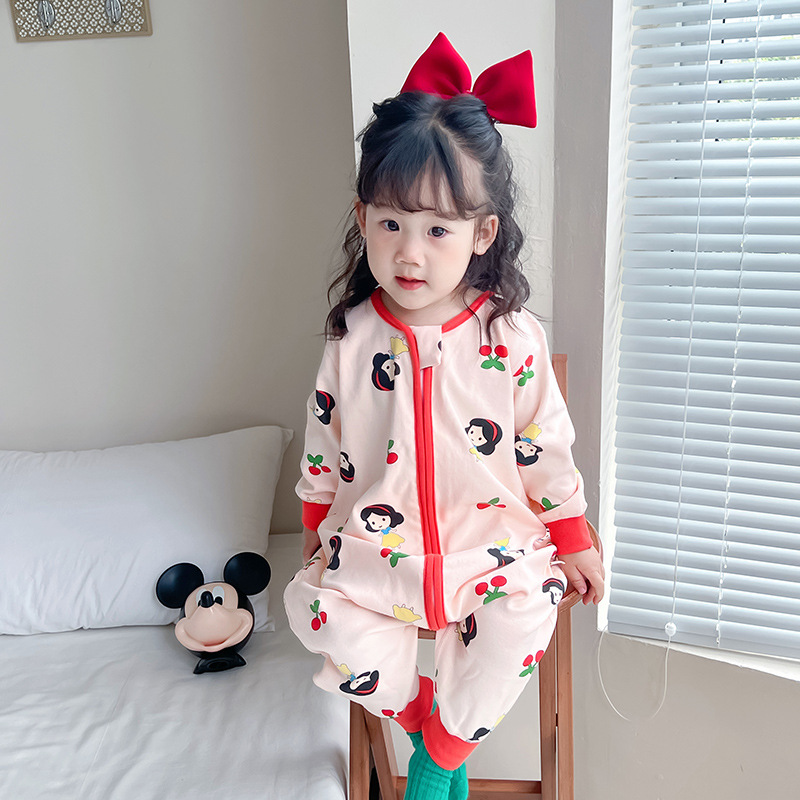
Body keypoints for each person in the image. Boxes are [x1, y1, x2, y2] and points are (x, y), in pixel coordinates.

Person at [284, 32, 605, 800]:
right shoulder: (353, 336)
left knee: (529, 615)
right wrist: (316, 521)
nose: (410, 253)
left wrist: (571, 535)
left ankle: (439, 755)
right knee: (311, 612)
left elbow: (543, 445)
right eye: (391, 224)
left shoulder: (510, 336)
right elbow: (326, 437)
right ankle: (423, 715)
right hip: (379, 550)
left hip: (491, 550)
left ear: (481, 232)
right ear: (363, 218)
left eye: (437, 230)